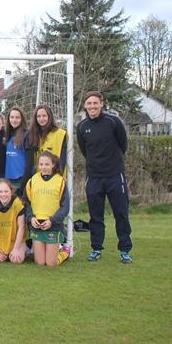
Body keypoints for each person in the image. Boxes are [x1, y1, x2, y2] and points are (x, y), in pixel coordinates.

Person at [76, 91, 133, 263]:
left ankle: (124, 249)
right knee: (95, 216)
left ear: (101, 104)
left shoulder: (113, 122)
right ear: (85, 106)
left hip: (115, 176)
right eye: (89, 103)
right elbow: (85, 150)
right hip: (94, 177)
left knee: (121, 213)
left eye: (95, 103)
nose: (92, 106)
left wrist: (112, 163)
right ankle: (96, 248)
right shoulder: (81, 126)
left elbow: (123, 145)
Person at [24, 152, 70, 267]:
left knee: (51, 263)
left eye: (47, 164)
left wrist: (52, 221)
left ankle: (65, 252)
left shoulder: (60, 181)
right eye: (41, 164)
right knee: (40, 263)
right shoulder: (32, 180)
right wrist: (31, 218)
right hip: (37, 225)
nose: (43, 167)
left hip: (52, 225)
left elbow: (65, 207)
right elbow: (26, 203)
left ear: (53, 165)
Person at [0, 178, 26, 264]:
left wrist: (16, 249)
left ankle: (25, 248)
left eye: (6, 191)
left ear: (11, 191)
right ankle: (5, 250)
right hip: (2, 242)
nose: (3, 194)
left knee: (16, 260)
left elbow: (22, 227)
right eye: (0, 192)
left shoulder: (17, 203)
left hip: (17, 241)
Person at [28, 104, 67, 173]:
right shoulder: (33, 134)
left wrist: (58, 175)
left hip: (55, 176)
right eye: (38, 116)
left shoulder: (60, 134)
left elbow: (63, 159)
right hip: (39, 177)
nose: (41, 119)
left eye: (44, 116)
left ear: (49, 117)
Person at [4, 107, 33, 196]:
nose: (14, 120)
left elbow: (30, 162)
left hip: (21, 180)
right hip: (9, 179)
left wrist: (24, 183)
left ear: (22, 119)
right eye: (12, 117)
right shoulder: (8, 135)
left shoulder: (27, 135)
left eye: (17, 117)